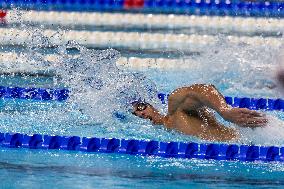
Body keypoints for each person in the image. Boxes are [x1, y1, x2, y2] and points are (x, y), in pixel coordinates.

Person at [131, 84, 267, 142]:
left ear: (152, 104)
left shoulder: (176, 110)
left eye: (141, 107)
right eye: (135, 114)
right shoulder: (165, 133)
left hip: (251, 140)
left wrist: (224, 111)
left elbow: (202, 89)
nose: (140, 114)